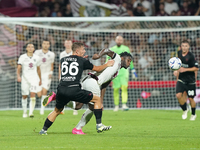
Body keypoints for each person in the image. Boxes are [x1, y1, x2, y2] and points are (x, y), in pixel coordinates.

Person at [43, 49, 133, 134]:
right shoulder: (117, 59)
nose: (129, 63)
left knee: (78, 106)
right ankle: (83, 127)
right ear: (122, 58)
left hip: (87, 81)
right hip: (93, 83)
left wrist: (101, 100)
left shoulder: (116, 70)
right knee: (92, 107)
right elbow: (107, 51)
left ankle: (56, 97)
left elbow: (105, 85)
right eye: (128, 60)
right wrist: (98, 55)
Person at [107, 35, 137, 111]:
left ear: (122, 41)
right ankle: (116, 106)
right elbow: (108, 60)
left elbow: (130, 60)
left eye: (120, 40)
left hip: (124, 71)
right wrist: (107, 69)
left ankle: (124, 104)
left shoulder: (126, 48)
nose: (119, 41)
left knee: (124, 88)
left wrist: (133, 70)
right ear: (115, 40)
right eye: (118, 40)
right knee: (116, 89)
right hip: (115, 71)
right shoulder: (112, 49)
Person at [174, 40, 199, 121]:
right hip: (181, 79)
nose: (184, 47)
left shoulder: (191, 56)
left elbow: (196, 68)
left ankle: (193, 114)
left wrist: (185, 69)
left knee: (191, 98)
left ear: (188, 47)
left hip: (190, 81)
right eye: (183, 46)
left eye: (186, 46)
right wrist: (175, 70)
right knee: (178, 95)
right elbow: (177, 63)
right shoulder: (179, 53)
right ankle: (185, 110)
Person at [17, 43, 41, 118]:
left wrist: (40, 79)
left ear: (34, 49)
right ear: (26, 49)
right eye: (29, 47)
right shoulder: (22, 57)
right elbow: (19, 68)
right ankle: (24, 111)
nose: (30, 48)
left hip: (34, 78)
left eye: (32, 47)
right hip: (25, 79)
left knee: (33, 94)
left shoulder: (37, 58)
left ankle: (31, 112)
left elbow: (38, 69)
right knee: (24, 96)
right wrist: (18, 76)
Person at [34, 39, 55, 115]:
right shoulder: (37, 52)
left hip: (46, 75)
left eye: (47, 44)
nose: (45, 45)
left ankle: (42, 110)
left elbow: (52, 65)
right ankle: (49, 98)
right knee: (39, 94)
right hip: (38, 75)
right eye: (44, 43)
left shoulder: (52, 54)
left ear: (49, 45)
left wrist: (51, 73)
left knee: (44, 92)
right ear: (42, 44)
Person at [59, 39, 78, 115]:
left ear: (72, 44)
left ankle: (75, 109)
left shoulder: (74, 53)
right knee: (62, 92)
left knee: (73, 92)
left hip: (72, 75)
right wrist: (59, 75)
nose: (68, 44)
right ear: (64, 44)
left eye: (69, 43)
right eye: (66, 43)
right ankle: (61, 109)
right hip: (64, 76)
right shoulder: (62, 54)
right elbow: (60, 65)